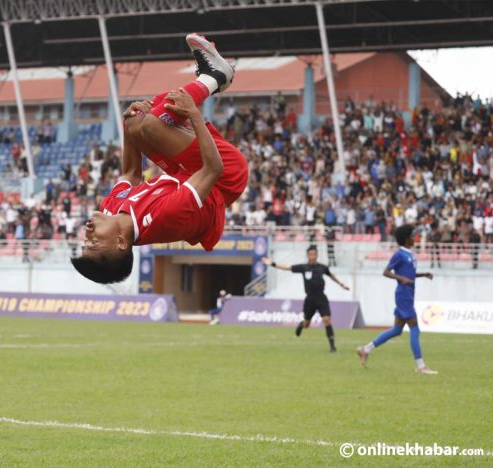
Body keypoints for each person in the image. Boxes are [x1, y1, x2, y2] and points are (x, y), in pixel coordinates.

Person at [71, 33, 248, 283]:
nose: (87, 232)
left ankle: (210, 79)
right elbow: (213, 170)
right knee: (154, 124)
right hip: (224, 175)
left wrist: (128, 120)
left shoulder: (110, 209)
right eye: (94, 241)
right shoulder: (165, 220)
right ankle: (215, 76)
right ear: (121, 242)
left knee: (138, 123)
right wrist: (194, 115)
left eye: (84, 241)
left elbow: (131, 172)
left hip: (185, 171)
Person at [357, 224, 437, 374]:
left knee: (396, 330)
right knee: (415, 328)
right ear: (407, 239)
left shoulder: (410, 253)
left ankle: (365, 349)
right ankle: (420, 366)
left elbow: (409, 274)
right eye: (413, 235)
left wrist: (423, 274)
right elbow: (386, 272)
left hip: (408, 294)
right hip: (403, 295)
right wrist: (402, 279)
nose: (415, 238)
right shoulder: (399, 254)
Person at [263, 245, 349, 352]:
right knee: (307, 324)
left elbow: (331, 275)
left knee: (327, 320)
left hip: (321, 297)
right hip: (310, 299)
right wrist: (273, 264)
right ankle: (301, 324)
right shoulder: (304, 267)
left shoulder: (322, 267)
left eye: (314, 254)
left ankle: (332, 347)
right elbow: (287, 267)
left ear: (317, 255)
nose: (312, 256)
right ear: (308, 255)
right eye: (310, 254)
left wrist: (341, 284)